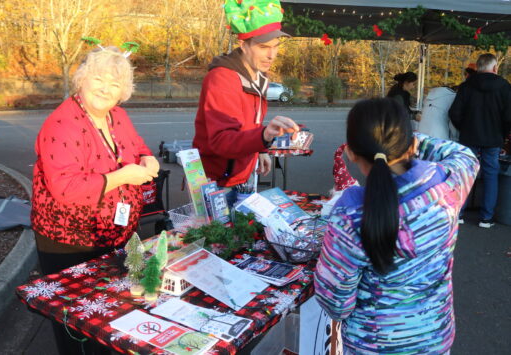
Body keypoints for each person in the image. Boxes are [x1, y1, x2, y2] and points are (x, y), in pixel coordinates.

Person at [314, 98, 479, 354]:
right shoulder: (448, 183)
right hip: (434, 339)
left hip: (371, 344)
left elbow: (336, 303)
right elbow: (463, 154)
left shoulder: (350, 214)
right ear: (412, 144)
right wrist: (403, 138)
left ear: (351, 153)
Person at [31, 46, 159, 354]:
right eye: (99, 78)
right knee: (75, 322)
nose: (105, 88)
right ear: (81, 80)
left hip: (114, 235)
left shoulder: (118, 115)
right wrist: (123, 177)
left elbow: (138, 145)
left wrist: (149, 159)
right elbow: (65, 189)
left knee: (109, 317)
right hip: (71, 242)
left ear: (123, 92)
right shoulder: (61, 124)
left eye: (115, 84)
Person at [193, 0, 299, 205]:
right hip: (217, 181)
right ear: (243, 44)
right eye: (263, 47)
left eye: (275, 46)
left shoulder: (259, 76)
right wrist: (264, 135)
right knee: (220, 237)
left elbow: (250, 124)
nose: (271, 55)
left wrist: (260, 150)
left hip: (244, 173)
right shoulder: (222, 79)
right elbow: (221, 141)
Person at [449, 53, 511, 227]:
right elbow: (509, 117)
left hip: (469, 137)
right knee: (491, 175)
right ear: (495, 68)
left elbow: (454, 113)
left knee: (465, 175)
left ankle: (459, 214)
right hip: (493, 139)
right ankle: (486, 218)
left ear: (478, 67)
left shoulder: (466, 86)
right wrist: (503, 134)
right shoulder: (505, 87)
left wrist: (464, 128)